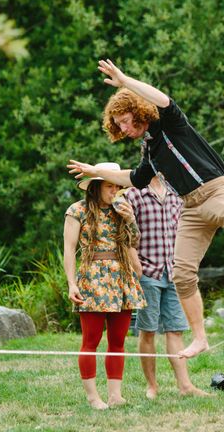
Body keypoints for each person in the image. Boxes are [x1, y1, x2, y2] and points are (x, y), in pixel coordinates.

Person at [68, 58, 224, 358]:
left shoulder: (170, 124)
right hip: (189, 207)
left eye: (125, 120)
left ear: (138, 111)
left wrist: (124, 80)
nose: (123, 128)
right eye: (118, 125)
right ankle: (200, 338)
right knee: (182, 275)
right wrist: (95, 171)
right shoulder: (150, 148)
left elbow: (162, 99)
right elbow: (134, 179)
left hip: (216, 191)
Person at [63, 162, 146, 409]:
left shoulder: (122, 210)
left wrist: (130, 219)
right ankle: (92, 397)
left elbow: (133, 242)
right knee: (91, 340)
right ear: (97, 186)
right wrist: (71, 283)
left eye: (117, 186)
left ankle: (115, 395)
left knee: (118, 340)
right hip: (93, 277)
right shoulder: (76, 210)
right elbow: (69, 249)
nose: (115, 191)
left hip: (121, 276)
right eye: (110, 186)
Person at [125, 174, 209, 398]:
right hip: (147, 272)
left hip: (175, 272)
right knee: (148, 331)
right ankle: (152, 386)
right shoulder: (134, 193)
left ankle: (185, 386)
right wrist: (136, 267)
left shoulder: (177, 192)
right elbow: (126, 235)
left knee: (176, 330)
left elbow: (188, 231)